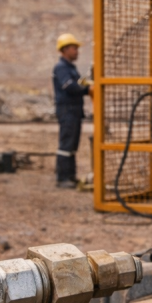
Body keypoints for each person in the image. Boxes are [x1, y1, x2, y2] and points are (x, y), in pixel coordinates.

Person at [52, 33, 91, 189]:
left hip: (74, 111)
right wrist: (87, 89)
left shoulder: (70, 68)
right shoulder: (61, 68)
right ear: (65, 49)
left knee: (72, 145)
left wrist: (87, 85)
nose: (77, 52)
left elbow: (78, 84)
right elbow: (70, 86)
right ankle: (63, 178)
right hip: (67, 110)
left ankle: (70, 176)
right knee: (66, 145)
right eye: (74, 48)